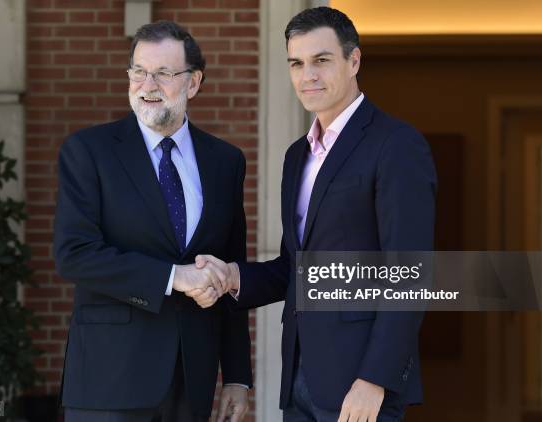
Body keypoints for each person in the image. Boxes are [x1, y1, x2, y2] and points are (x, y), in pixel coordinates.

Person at [189, 7, 437, 422]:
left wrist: (375, 378)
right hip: (300, 380)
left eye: (321, 60)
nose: (308, 76)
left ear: (353, 60)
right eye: (297, 63)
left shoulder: (395, 145)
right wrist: (234, 277)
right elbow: (296, 266)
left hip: (361, 385)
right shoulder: (296, 156)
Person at [53, 21, 251, 422]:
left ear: (193, 83)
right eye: (139, 71)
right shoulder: (88, 152)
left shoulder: (225, 162)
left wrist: (237, 377)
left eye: (163, 73)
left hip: (191, 378)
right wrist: (173, 277)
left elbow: (231, 270)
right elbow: (74, 255)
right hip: (108, 380)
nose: (147, 85)